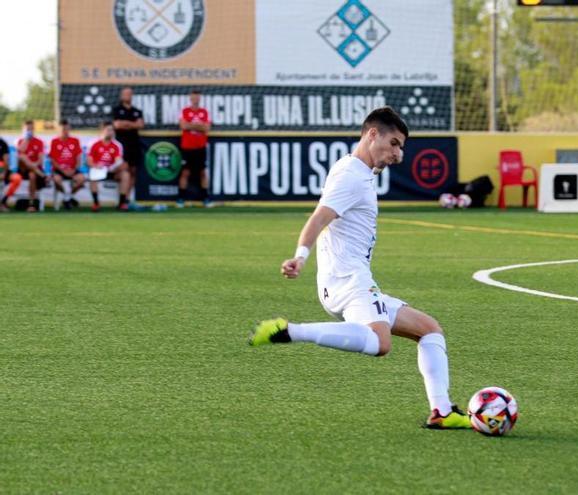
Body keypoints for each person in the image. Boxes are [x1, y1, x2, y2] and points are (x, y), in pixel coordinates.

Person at [249, 107, 470, 430]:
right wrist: (300, 256)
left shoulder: (355, 170)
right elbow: (320, 217)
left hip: (349, 278)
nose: (398, 154)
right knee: (380, 343)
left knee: (429, 329)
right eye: (393, 144)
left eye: (401, 147)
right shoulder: (352, 176)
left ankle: (442, 411)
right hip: (348, 279)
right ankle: (290, 330)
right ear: (372, 135)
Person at [111, 87, 145, 206]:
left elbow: (140, 125)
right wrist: (132, 124)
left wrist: (126, 124)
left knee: (133, 171)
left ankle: (127, 199)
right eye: (126, 94)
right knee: (124, 170)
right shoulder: (117, 110)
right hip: (122, 145)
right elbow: (117, 125)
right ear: (121, 96)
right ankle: (121, 197)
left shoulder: (137, 111)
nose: (128, 96)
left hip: (134, 145)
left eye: (130, 94)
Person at [178, 89, 211, 208]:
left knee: (202, 172)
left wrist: (191, 125)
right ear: (190, 98)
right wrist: (199, 126)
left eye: (197, 97)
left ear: (200, 98)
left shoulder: (204, 112)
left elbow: (206, 128)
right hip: (187, 147)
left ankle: (205, 198)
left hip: (200, 147)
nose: (195, 99)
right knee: (185, 172)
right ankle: (181, 198)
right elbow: (183, 126)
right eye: (194, 97)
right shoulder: (185, 111)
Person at [87, 121, 130, 212]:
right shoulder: (93, 143)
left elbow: (119, 161)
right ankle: (96, 203)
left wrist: (113, 168)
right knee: (92, 175)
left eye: (112, 130)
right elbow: (89, 162)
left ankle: (122, 203)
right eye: (108, 130)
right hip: (99, 170)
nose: (110, 132)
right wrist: (97, 166)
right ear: (102, 131)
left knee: (125, 174)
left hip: (112, 171)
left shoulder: (117, 145)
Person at [49, 119, 86, 210]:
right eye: (63, 130)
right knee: (57, 180)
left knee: (82, 179)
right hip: (59, 170)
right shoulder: (54, 142)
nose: (65, 132)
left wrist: (74, 170)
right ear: (59, 130)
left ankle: (67, 197)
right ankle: (68, 198)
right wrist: (63, 171)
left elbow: (78, 158)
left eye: (67, 129)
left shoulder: (75, 141)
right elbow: (53, 160)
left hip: (72, 169)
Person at [16, 120, 48, 212]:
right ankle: (44, 176)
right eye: (27, 129)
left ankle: (32, 204)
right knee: (22, 156)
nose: (29, 131)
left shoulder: (39, 142)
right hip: (22, 169)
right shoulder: (20, 141)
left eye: (31, 129)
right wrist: (26, 139)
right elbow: (20, 152)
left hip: (35, 170)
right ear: (23, 130)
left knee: (32, 175)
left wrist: (33, 165)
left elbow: (40, 160)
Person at [0, 137, 20, 212]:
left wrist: (4, 173)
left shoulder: (2, 143)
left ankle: (3, 202)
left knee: (17, 178)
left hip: (3, 171)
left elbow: (6, 160)